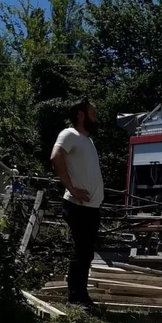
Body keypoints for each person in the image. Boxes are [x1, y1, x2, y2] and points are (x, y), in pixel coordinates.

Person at [51, 98, 104, 308]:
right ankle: (75, 298)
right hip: (77, 206)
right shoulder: (69, 134)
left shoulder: (87, 140)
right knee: (81, 251)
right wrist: (72, 189)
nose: (95, 117)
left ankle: (82, 296)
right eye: (93, 113)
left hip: (91, 207)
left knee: (86, 252)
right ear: (81, 115)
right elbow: (56, 157)